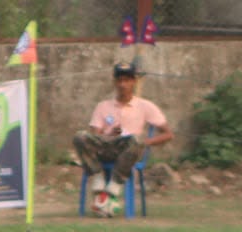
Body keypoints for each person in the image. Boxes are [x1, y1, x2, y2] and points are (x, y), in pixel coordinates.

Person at [73, 63, 173, 214]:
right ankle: (97, 176)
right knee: (80, 136)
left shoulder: (145, 106)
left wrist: (145, 143)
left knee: (136, 140)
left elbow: (168, 134)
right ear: (114, 82)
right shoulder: (103, 106)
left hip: (128, 150)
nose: (123, 85)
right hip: (106, 147)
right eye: (119, 80)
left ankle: (114, 186)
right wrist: (109, 134)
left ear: (133, 82)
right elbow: (94, 135)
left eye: (127, 80)